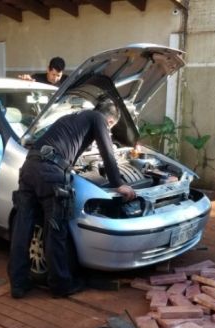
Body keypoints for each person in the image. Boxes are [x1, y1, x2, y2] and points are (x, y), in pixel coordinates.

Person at [8, 98, 136, 299]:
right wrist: (118, 183)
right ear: (110, 121)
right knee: (55, 229)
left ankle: (18, 284)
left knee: (22, 227)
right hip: (51, 174)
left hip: (29, 167)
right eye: (110, 128)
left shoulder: (72, 117)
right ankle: (61, 285)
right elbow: (107, 152)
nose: (109, 131)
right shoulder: (98, 119)